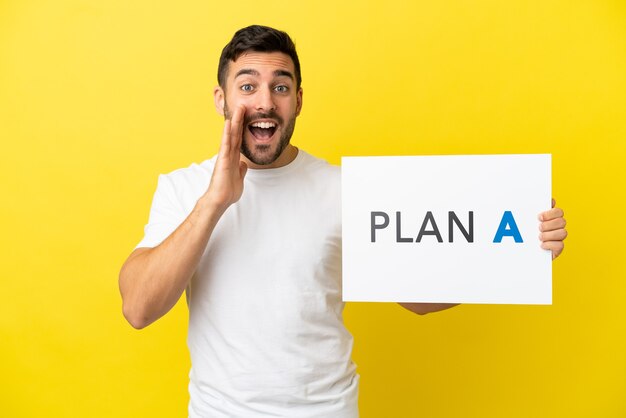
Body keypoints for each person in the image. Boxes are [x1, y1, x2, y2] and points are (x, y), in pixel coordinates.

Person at [118, 25, 568, 418]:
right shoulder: (182, 189)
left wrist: (515, 254)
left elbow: (417, 298)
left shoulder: (346, 189)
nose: (265, 102)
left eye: (281, 86)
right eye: (247, 85)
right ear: (222, 99)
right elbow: (139, 307)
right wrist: (214, 202)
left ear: (298, 100)